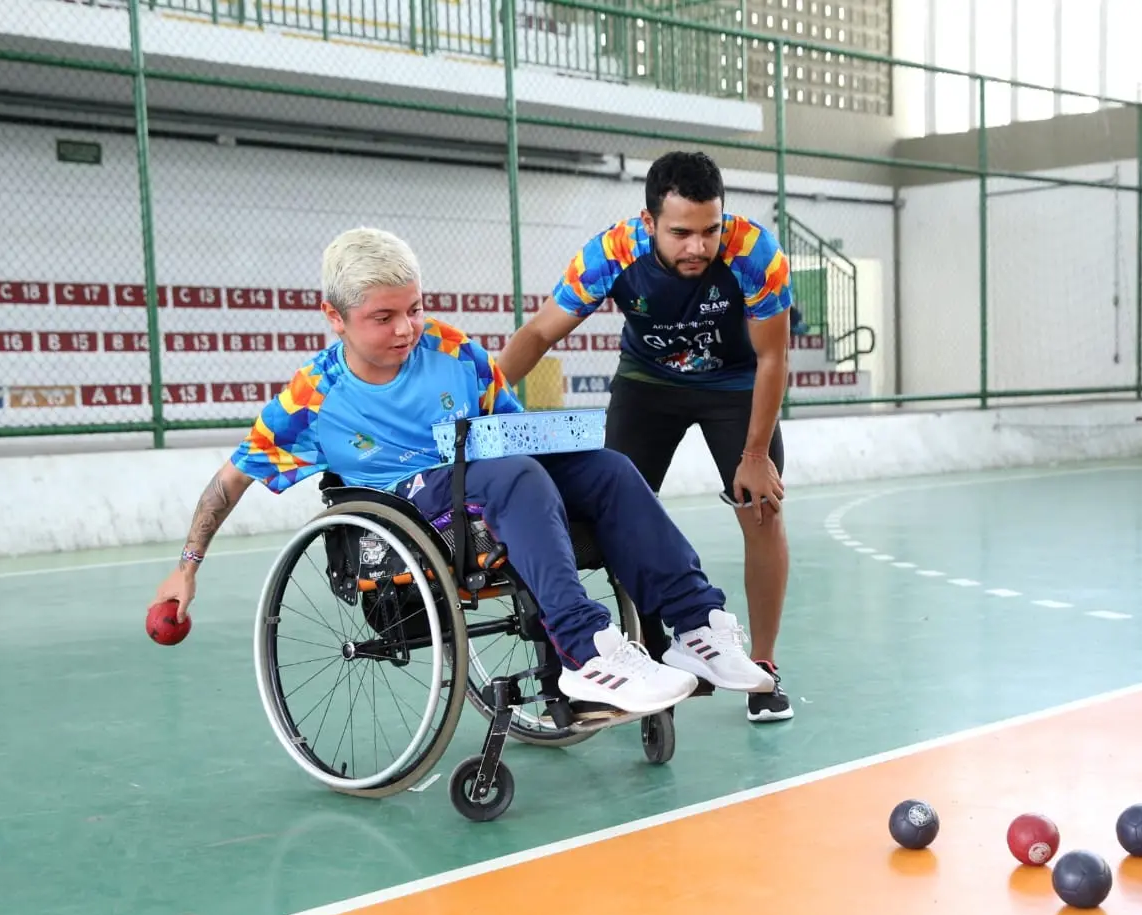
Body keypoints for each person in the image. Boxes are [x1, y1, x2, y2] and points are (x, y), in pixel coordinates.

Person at [147, 226, 775, 719]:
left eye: (414, 309)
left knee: (607, 468)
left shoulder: (452, 349)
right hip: (409, 510)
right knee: (514, 477)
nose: (407, 328)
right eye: (384, 317)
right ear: (335, 318)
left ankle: (695, 626)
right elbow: (231, 479)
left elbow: (509, 430)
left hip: (487, 478)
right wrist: (187, 564)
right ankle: (585, 651)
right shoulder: (313, 397)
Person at [496, 150, 795, 723]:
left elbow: (773, 356)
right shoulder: (612, 253)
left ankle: (763, 667)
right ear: (650, 220)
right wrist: (483, 397)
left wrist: (755, 454)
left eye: (710, 230)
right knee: (613, 510)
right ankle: (656, 653)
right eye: (681, 232)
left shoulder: (755, 254)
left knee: (763, 509)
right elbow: (539, 332)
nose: (698, 247)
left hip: (734, 383)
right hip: (648, 381)